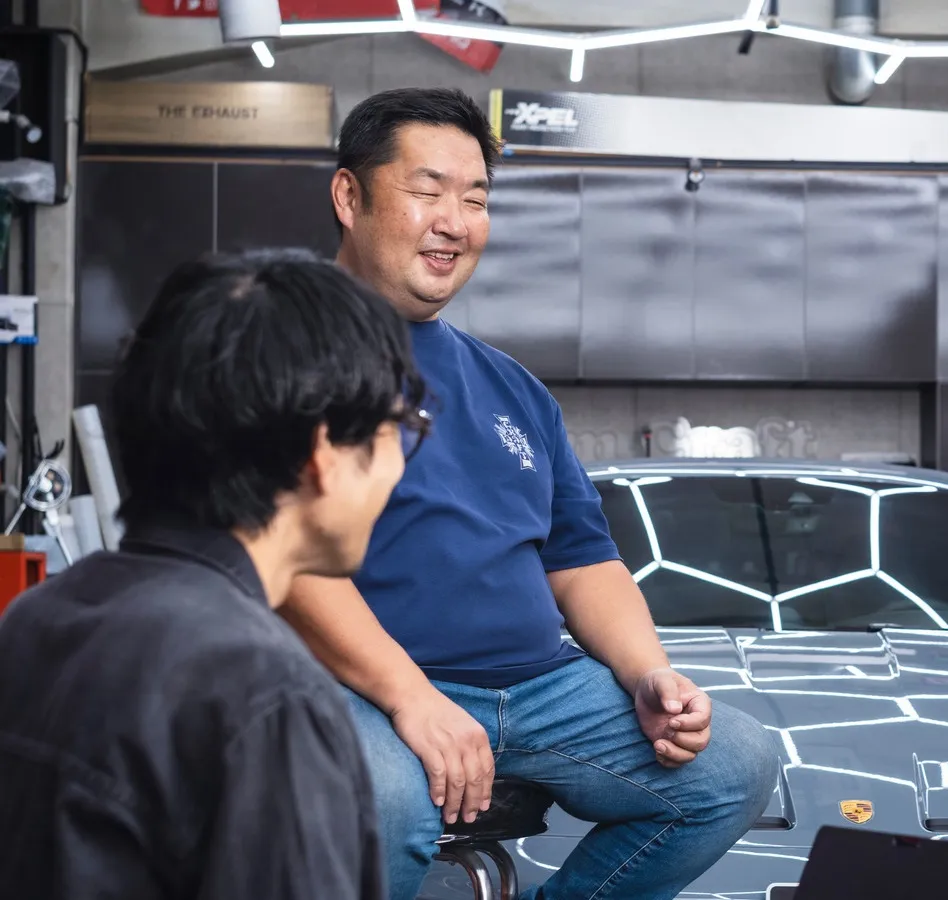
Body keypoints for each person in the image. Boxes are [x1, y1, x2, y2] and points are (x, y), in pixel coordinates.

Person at [276, 86, 781, 900]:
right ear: (349, 196)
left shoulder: (510, 386)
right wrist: (412, 699)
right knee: (387, 803)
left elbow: (582, 559)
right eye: (428, 190)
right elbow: (282, 559)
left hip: (544, 690)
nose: (455, 222)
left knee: (733, 766)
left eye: (475, 200)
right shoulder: (283, 354)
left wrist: (648, 676)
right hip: (362, 687)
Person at [0, 250, 429, 899]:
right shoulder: (266, 694)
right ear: (323, 453)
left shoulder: (34, 618)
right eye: (398, 431)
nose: (398, 469)